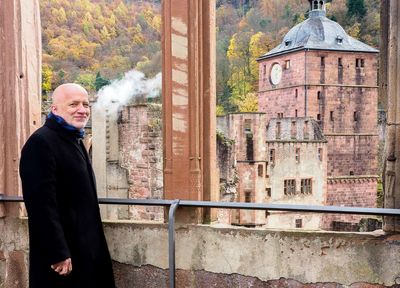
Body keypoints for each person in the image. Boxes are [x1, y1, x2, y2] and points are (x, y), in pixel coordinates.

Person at [19, 83, 115, 288]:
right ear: (55, 109)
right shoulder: (41, 143)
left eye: (85, 104)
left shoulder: (74, 139)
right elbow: (40, 205)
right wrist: (56, 252)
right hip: (65, 257)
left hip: (87, 249)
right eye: (73, 104)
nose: (82, 109)